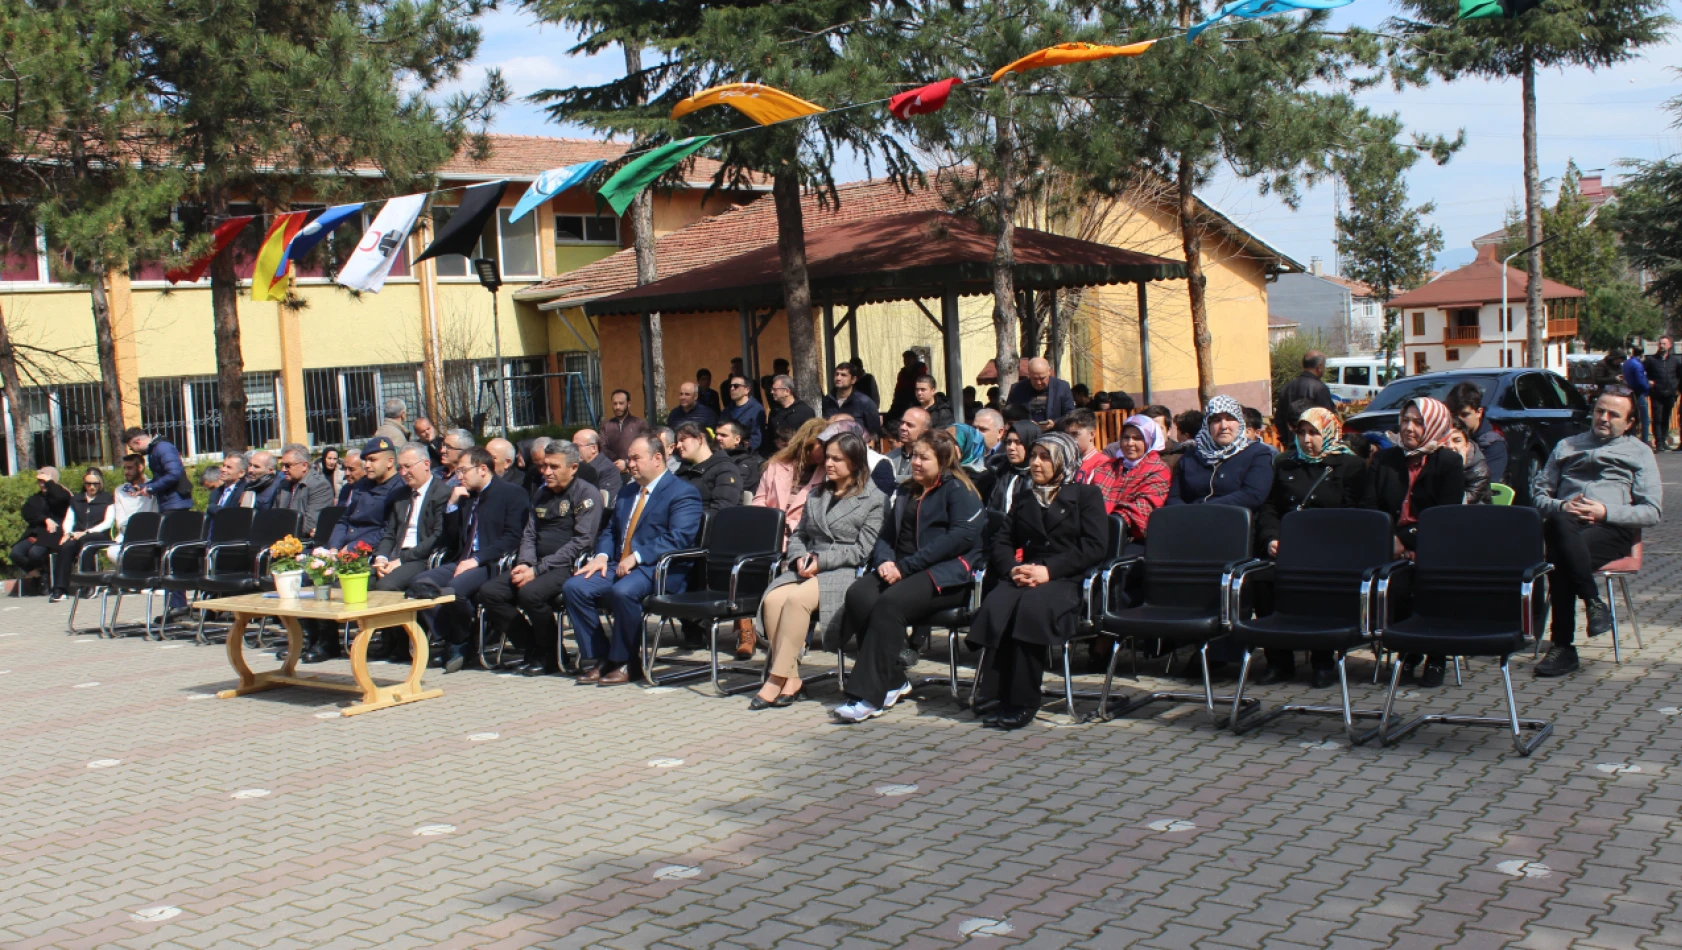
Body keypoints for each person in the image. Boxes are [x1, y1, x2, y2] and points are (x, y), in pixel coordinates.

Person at [833, 430, 983, 723]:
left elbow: (958, 539)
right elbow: (887, 534)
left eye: (924, 457)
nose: (915, 462)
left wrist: (906, 567)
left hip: (946, 576)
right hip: (903, 570)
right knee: (859, 595)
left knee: (890, 604)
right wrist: (885, 561)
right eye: (914, 455)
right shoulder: (906, 490)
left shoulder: (959, 492)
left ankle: (869, 695)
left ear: (942, 461)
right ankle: (894, 680)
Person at [968, 433, 1108, 729]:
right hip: (1026, 574)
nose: (1036, 463)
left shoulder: (1086, 496)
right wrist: (1012, 570)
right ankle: (992, 694)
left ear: (1064, 461)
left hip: (1067, 580)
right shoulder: (1025, 497)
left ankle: (1022, 701)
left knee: (1029, 612)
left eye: (1045, 457)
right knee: (998, 604)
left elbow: (1095, 546)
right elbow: (1002, 541)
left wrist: (1049, 571)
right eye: (1034, 456)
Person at [1533, 386, 1663, 678]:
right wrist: (1564, 505)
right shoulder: (1567, 446)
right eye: (1600, 411)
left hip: (1610, 530)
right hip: (1567, 523)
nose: (1603, 418)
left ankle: (1563, 647)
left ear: (1629, 423)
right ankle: (1593, 601)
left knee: (1560, 555)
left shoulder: (1639, 453)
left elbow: (1652, 511)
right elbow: (1539, 497)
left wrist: (1604, 512)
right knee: (1559, 525)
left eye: (1613, 414)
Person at [753, 431, 886, 710]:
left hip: (843, 570)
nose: (829, 463)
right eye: (828, 457)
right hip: (807, 565)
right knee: (774, 598)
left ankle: (776, 678)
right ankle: (792, 678)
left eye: (837, 459)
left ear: (855, 461)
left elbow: (862, 550)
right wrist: (800, 557)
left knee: (796, 600)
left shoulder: (874, 499)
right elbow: (800, 534)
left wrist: (821, 562)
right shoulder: (816, 493)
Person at [564, 435, 703, 685]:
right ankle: (600, 657)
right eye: (629, 458)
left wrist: (638, 557)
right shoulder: (628, 491)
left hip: (658, 568)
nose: (630, 464)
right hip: (619, 564)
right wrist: (602, 556)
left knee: (623, 592)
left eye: (636, 458)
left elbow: (680, 537)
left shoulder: (683, 492)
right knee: (575, 587)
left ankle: (626, 661)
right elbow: (611, 531)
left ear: (657, 458)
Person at [1254, 407, 1368, 687]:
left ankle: (1322, 661)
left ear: (1328, 432)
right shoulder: (1285, 463)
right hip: (1288, 548)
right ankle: (1278, 660)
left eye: (1314, 432)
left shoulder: (1350, 466)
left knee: (1319, 582)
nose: (1306, 440)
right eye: (1301, 433)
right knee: (1261, 580)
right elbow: (1270, 507)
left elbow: (1358, 513)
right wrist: (1271, 538)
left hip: (1329, 550)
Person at [1360, 396, 1465, 688]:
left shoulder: (1449, 462)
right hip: (1388, 542)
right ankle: (1407, 651)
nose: (1408, 427)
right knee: (1393, 582)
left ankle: (1436, 656)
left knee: (1431, 578)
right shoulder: (1384, 459)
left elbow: (1443, 516)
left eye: (1417, 422)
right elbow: (1369, 506)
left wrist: (1406, 541)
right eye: (1405, 420)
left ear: (1433, 425)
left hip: (1433, 543)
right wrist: (1390, 539)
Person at [479, 440, 604, 677]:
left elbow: (581, 543)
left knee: (530, 594)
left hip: (568, 565)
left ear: (574, 468)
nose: (546, 472)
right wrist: (525, 563)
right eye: (544, 466)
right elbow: (530, 532)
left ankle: (550, 654)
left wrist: (537, 570)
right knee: (490, 593)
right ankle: (532, 648)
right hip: (535, 564)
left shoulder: (586, 494)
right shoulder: (541, 493)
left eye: (554, 467)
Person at [406, 446, 530, 673]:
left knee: (454, 590)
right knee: (419, 584)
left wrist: (478, 559)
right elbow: (451, 540)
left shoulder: (512, 493)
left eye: (463, 471)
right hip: (462, 560)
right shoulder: (465, 496)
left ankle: (462, 643)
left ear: (482, 469)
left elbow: (513, 538)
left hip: (491, 562)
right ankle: (453, 637)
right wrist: (452, 506)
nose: (458, 476)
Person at [371, 442, 452, 596]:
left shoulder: (441, 494)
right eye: (400, 467)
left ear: (426, 464)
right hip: (394, 556)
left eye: (408, 466)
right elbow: (390, 533)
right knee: (354, 581)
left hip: (421, 558)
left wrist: (401, 560)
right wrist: (381, 558)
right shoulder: (401, 495)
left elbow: (437, 536)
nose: (403, 473)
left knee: (385, 586)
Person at [1165, 396, 1274, 510]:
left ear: (1240, 423)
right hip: (1191, 522)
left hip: (1236, 522)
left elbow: (1253, 494)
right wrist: (1188, 515)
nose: (1223, 426)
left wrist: (1203, 510)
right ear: (1208, 426)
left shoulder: (1257, 454)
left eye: (1230, 418)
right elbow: (1174, 497)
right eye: (1216, 420)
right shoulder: (1191, 458)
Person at [1086, 414, 1171, 553]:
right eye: (1126, 437)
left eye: (1137, 438)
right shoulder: (1107, 467)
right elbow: (1090, 499)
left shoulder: (1158, 470)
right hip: (1094, 532)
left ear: (1149, 441)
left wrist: (1113, 521)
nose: (1130, 443)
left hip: (1132, 538)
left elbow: (1144, 506)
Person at [52, 469, 114, 601]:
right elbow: (69, 519)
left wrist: (87, 532)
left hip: (99, 534)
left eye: (95, 484)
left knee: (86, 543)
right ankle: (60, 588)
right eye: (88, 483)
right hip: (77, 534)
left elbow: (108, 522)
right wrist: (67, 533)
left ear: (101, 483)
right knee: (66, 547)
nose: (91, 487)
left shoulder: (107, 499)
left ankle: (90, 584)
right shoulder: (76, 500)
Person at [13, 468, 70, 590]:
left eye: (45, 481)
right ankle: (39, 575)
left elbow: (62, 501)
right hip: (35, 533)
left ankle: (49, 577)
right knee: (16, 553)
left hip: (54, 534)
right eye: (40, 481)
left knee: (35, 553)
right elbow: (27, 512)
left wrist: (51, 485)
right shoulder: (36, 498)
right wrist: (45, 519)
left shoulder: (61, 494)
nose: (42, 484)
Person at [1445, 381, 1508, 485]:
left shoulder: (1494, 444)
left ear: (1479, 412)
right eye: (1454, 414)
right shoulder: (1445, 438)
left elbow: (1486, 485)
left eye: (1465, 415)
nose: (1459, 419)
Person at [674, 422, 742, 514]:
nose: (678, 445)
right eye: (677, 442)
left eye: (682, 440)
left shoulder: (725, 470)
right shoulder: (682, 471)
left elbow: (721, 511)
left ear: (699, 439)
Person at [123, 427, 194, 513]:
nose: (133, 451)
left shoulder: (162, 448)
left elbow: (174, 474)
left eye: (131, 448)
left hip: (175, 503)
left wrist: (150, 488)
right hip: (170, 502)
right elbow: (161, 478)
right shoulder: (155, 449)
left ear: (138, 442)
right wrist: (142, 487)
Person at [273, 443, 336, 538]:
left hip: (304, 543)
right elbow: (273, 516)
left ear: (304, 465)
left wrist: (279, 529)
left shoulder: (320, 486)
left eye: (287, 465)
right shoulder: (283, 485)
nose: (283, 470)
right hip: (281, 540)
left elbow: (310, 525)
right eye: (282, 465)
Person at [1273, 350, 1337, 435]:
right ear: (1319, 367)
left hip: (1291, 442)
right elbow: (1328, 419)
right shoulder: (1320, 388)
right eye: (1324, 366)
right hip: (1313, 442)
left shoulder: (1287, 387)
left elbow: (1279, 419)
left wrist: (1287, 440)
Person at [1006, 358, 1075, 431]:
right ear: (1029, 374)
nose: (1038, 382)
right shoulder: (1017, 389)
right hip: (1026, 435)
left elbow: (1070, 414)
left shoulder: (1062, 387)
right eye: (1034, 379)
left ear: (1049, 372)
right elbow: (1009, 414)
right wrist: (1026, 423)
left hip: (1054, 434)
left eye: (1042, 378)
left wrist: (1054, 423)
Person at [988, 421, 1041, 514]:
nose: (1011, 447)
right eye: (1008, 442)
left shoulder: (1039, 476)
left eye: (1018, 442)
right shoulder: (999, 470)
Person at [822, 362, 881, 437]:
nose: (838, 378)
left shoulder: (865, 402)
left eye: (843, 375)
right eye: (837, 374)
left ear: (853, 379)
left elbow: (874, 432)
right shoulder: (826, 401)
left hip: (856, 446)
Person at [764, 375, 815, 458]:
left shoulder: (805, 412)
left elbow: (809, 438)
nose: (772, 392)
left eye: (775, 389)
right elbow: (769, 437)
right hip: (777, 457)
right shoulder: (774, 412)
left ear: (787, 391)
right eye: (771, 389)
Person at [111, 454, 157, 542]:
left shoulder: (153, 487)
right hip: (126, 533)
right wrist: (128, 532)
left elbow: (156, 514)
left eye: (130, 468)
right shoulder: (120, 490)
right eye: (124, 468)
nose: (126, 472)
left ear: (140, 467)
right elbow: (120, 519)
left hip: (149, 533)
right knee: (112, 551)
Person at [602, 388, 649, 471]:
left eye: (621, 403)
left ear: (629, 404)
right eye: (615, 404)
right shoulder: (606, 426)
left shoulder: (639, 424)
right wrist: (616, 461)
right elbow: (602, 447)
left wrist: (627, 462)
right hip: (613, 470)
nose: (617, 407)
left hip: (635, 470)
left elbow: (645, 447)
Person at [572, 429, 623, 503]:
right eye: (572, 446)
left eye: (577, 446)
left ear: (593, 448)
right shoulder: (576, 466)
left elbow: (604, 501)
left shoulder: (608, 470)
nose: (573, 450)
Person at [1057, 409, 1107, 484]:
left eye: (1075, 434)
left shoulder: (1103, 464)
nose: (1069, 439)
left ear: (1092, 434)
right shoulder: (1065, 461)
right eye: (1067, 434)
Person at [1645, 336, 1677, 451]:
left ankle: (1663, 440)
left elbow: (1679, 375)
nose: (1662, 346)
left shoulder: (1674, 360)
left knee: (1666, 418)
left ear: (1669, 345)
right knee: (1657, 418)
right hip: (1657, 393)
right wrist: (1648, 381)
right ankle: (1658, 442)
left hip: (1670, 394)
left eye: (1664, 344)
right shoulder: (1651, 360)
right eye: (1660, 344)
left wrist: (1676, 387)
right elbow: (1643, 373)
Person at [204, 454, 250, 533]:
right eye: (223, 465)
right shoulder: (216, 492)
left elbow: (234, 516)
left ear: (241, 473)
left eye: (229, 467)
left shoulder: (245, 491)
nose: (223, 469)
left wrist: (214, 509)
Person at [1446, 423, 1491, 504]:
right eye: (1445, 441)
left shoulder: (1479, 471)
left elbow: (1460, 503)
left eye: (1457, 441)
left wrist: (1458, 468)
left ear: (1467, 445)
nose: (1450, 446)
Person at [716, 421, 763, 496]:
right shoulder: (714, 455)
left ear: (737, 439)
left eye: (723, 435)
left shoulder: (746, 463)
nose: (717, 438)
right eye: (717, 434)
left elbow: (731, 489)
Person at [722, 373, 766, 453]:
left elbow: (756, 438)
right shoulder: (727, 410)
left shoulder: (756, 409)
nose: (732, 389)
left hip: (747, 455)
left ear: (747, 390)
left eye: (736, 386)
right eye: (730, 386)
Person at [888, 407, 931, 481]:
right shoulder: (890, 457)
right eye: (902, 423)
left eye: (909, 425)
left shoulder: (931, 457)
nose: (902, 427)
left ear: (924, 431)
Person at [1623, 343, 1651, 445]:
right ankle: (1645, 439)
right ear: (1642, 354)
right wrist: (1647, 388)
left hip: (1628, 391)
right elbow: (1640, 381)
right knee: (1645, 418)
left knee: (1633, 416)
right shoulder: (1638, 365)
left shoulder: (1627, 363)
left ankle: (1632, 436)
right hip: (1638, 392)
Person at [889, 350, 926, 419]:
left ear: (914, 360)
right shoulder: (902, 373)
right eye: (905, 360)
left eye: (909, 359)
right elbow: (898, 388)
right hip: (901, 402)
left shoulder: (920, 373)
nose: (906, 362)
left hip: (915, 402)